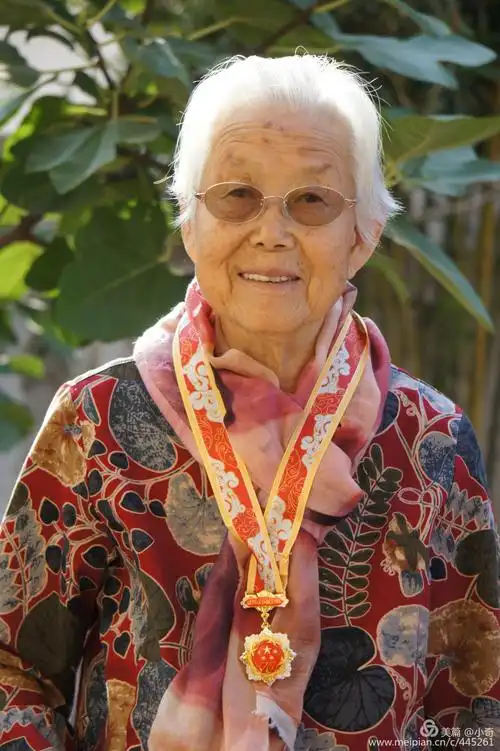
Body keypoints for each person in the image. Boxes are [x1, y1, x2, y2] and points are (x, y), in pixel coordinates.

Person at [0, 53, 499, 751]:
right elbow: (15, 669)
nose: (272, 231)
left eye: (313, 200)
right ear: (189, 223)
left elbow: (474, 701)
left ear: (364, 234)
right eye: (236, 195)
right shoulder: (97, 420)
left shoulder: (432, 439)